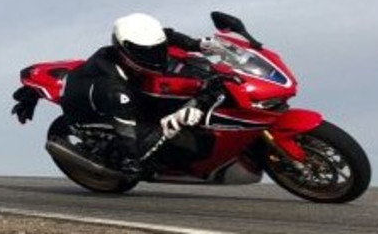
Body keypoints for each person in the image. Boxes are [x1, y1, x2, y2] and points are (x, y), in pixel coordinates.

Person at [14, 12, 224, 175]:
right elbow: (134, 145)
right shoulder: (115, 91)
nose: (157, 56)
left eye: (158, 49)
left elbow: (168, 36)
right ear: (125, 50)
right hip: (108, 110)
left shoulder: (141, 43)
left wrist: (198, 44)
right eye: (148, 53)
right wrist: (176, 120)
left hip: (115, 84)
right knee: (136, 157)